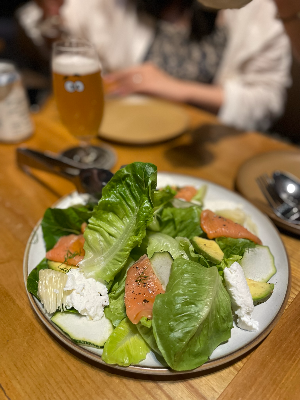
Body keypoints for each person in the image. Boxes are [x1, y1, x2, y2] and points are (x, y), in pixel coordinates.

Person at [31, 0, 292, 131]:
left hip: (211, 140)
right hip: (128, 129)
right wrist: (51, 17)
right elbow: (49, 28)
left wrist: (179, 89)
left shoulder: (258, 10)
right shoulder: (109, 6)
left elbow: (268, 100)